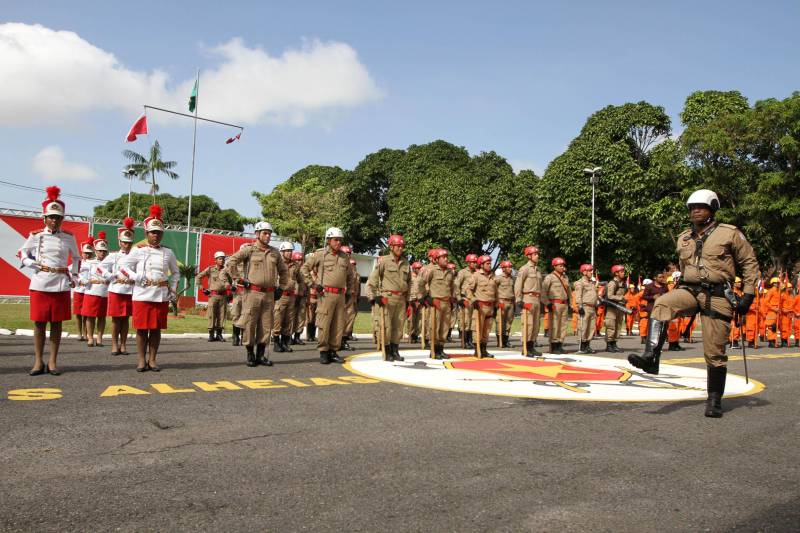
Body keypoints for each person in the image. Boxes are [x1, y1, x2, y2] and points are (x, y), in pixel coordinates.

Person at [628, 189, 759, 418]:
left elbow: (749, 263)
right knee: (662, 304)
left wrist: (748, 295)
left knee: (714, 351)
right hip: (689, 289)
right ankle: (651, 357)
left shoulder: (730, 233)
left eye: (701, 207)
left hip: (717, 294)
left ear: (712, 209)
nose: (695, 211)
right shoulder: (684, 237)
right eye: (692, 208)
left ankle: (714, 400)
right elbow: (683, 267)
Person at [18, 186, 80, 376]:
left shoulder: (69, 237)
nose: (54, 220)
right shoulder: (36, 235)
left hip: (60, 283)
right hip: (40, 282)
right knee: (39, 323)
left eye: (58, 217)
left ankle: (52, 361)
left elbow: (77, 258)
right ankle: (38, 360)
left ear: (62, 219)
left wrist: (74, 275)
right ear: (44, 218)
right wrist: (31, 263)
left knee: (57, 323)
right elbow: (23, 252)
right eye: (51, 217)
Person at [118, 205, 180, 372]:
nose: (156, 235)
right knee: (141, 329)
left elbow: (176, 272)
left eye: (158, 232)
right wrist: (136, 277)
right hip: (142, 294)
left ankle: (152, 359)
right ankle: (141, 360)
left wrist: (173, 288)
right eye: (153, 232)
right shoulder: (138, 250)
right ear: (146, 233)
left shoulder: (168, 252)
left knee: (156, 329)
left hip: (160, 295)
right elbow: (122, 267)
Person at [224, 221, 289, 367]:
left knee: (266, 325)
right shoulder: (249, 250)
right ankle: (250, 354)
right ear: (257, 234)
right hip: (252, 293)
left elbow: (284, 271)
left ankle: (260, 355)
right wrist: (239, 279)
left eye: (269, 233)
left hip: (269, 295)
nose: (268, 236)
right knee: (250, 324)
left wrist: (281, 287)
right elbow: (231, 262)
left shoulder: (275, 253)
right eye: (265, 233)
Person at [301, 227, 351, 364]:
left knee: (338, 324)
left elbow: (350, 276)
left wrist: (349, 292)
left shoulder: (344, 257)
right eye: (335, 240)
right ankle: (323, 351)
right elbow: (304, 269)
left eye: (340, 240)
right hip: (325, 294)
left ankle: (333, 351)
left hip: (340, 295)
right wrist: (313, 284)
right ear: (328, 240)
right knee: (324, 324)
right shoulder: (320, 254)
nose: (338, 242)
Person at [367, 234, 411, 361]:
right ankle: (387, 351)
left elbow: (410, 283)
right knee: (386, 326)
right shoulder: (384, 261)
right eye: (398, 246)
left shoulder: (406, 263)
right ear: (391, 247)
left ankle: (395, 350)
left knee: (399, 326)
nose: (400, 248)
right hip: (387, 298)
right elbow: (373, 280)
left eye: (402, 246)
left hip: (401, 299)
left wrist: (409, 300)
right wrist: (375, 296)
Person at [101, 217, 135, 356]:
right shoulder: (113, 256)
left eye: (129, 242)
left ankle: (123, 345)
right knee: (115, 319)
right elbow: (100, 267)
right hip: (116, 289)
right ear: (120, 242)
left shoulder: (135, 255)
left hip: (130, 290)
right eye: (124, 242)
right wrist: (110, 276)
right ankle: (114, 344)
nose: (126, 245)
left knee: (126, 319)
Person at [418, 248, 456, 360]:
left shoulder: (450, 272)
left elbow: (452, 287)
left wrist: (453, 298)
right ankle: (434, 350)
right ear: (437, 259)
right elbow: (420, 283)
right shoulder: (431, 271)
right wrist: (425, 297)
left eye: (446, 257)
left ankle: (441, 349)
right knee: (435, 327)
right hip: (436, 303)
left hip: (446, 302)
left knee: (445, 327)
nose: (446, 259)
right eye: (443, 257)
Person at [271, 242, 302, 353]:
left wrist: (299, 293)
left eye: (290, 251)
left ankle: (285, 343)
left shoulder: (295, 265)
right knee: (278, 319)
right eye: (287, 251)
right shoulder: (277, 264)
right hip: (280, 296)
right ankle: (276, 343)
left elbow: (300, 280)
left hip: (291, 296)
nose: (289, 253)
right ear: (282, 252)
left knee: (289, 321)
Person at [465, 255, 497, 358]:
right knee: (477, 329)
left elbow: (496, 292)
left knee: (486, 330)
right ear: (481, 265)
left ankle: (484, 350)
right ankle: (477, 350)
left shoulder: (493, 276)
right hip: (480, 306)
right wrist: (473, 299)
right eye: (487, 263)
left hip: (490, 306)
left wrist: (496, 305)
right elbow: (468, 289)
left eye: (490, 263)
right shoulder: (476, 275)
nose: (490, 265)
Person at [514, 245, 544, 357]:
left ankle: (531, 347)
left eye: (537, 254)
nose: (537, 256)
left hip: (537, 299)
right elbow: (518, 285)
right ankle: (525, 348)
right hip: (528, 298)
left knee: (536, 325)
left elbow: (541, 287)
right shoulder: (524, 269)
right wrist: (519, 299)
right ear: (529, 256)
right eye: (535, 254)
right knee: (528, 324)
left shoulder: (538, 270)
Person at [82, 233, 110, 347]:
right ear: (95, 251)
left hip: (104, 292)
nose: (102, 253)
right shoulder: (89, 263)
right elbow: (82, 277)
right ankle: (90, 337)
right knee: (90, 316)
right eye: (100, 251)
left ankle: (99, 338)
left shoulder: (110, 263)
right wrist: (89, 281)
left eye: (104, 251)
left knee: (102, 317)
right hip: (92, 291)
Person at [196, 251, 230, 343]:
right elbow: (198, 277)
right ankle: (211, 335)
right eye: (220, 259)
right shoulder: (210, 269)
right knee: (212, 315)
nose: (222, 260)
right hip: (213, 296)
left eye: (223, 259)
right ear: (215, 260)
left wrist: (230, 294)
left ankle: (219, 334)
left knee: (222, 315)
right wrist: (202, 288)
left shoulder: (227, 270)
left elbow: (230, 282)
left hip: (223, 296)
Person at [542, 257, 571, 354]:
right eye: (560, 266)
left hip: (564, 304)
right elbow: (543, 291)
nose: (562, 267)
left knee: (563, 326)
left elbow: (569, 293)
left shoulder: (565, 278)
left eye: (563, 265)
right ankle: (554, 346)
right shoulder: (550, 277)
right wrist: (547, 303)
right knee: (554, 325)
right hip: (555, 304)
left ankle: (560, 344)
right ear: (554, 266)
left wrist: (571, 304)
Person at [455, 254, 479, 348]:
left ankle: (470, 340)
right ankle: (464, 341)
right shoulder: (463, 272)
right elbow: (456, 285)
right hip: (465, 298)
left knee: (473, 321)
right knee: (465, 321)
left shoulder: (477, 273)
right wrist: (458, 298)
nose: (475, 264)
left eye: (475, 262)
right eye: (473, 262)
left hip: (475, 299)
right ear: (468, 263)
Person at [573, 264, 598, 354]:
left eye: (591, 271)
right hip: (585, 307)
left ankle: (587, 345)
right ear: (584, 272)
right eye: (589, 271)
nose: (591, 272)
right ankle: (582, 346)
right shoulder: (580, 283)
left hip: (592, 307)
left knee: (591, 327)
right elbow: (578, 295)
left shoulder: (591, 283)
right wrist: (580, 306)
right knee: (583, 327)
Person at [603, 264, 627, 353]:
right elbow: (609, 296)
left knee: (618, 326)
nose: (623, 273)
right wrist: (621, 298)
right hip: (612, 308)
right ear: (616, 273)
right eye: (621, 272)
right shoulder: (612, 283)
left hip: (620, 307)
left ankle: (614, 344)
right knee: (611, 326)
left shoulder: (623, 284)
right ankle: (609, 345)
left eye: (623, 271)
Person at [494, 260, 515, 348]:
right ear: (503, 269)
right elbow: (493, 289)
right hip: (501, 302)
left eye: (510, 267)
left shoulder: (512, 278)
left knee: (508, 322)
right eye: (508, 267)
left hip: (510, 302)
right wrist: (496, 301)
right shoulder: (498, 278)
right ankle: (500, 341)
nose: (510, 269)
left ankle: (506, 341)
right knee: (500, 322)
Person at [291, 251, 308, 345]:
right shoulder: (291, 269)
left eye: (301, 260)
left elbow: (308, 284)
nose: (299, 262)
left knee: (301, 317)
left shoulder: (305, 271)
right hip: (293, 296)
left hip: (303, 296)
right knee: (291, 317)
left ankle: (297, 336)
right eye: (297, 260)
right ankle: (288, 336)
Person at [407, 261, 424, 343]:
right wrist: (411, 299)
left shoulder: (422, 278)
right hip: (412, 300)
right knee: (411, 319)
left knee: (420, 319)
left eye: (420, 268)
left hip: (420, 300)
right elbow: (408, 289)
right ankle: (411, 334)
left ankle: (416, 334)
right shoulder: (410, 278)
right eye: (418, 268)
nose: (419, 270)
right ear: (414, 269)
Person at [763, 277, 780, 348]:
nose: (778, 284)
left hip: (777, 311)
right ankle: (771, 342)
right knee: (771, 327)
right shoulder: (770, 291)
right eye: (777, 283)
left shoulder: (779, 291)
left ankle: (774, 341)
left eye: (778, 283)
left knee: (775, 327)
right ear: (773, 284)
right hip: (771, 312)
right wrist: (773, 308)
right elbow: (766, 302)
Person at [636, 279, 651, 344]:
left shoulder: (648, 291)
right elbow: (636, 298)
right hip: (644, 310)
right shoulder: (643, 292)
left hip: (648, 309)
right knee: (644, 323)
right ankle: (643, 338)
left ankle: (646, 337)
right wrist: (640, 306)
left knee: (648, 324)